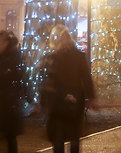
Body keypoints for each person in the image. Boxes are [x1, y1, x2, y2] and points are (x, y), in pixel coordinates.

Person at [41, 25, 98, 153]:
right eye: (59, 39)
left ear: (68, 39)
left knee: (72, 136)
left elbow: (86, 77)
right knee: (60, 136)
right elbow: (48, 80)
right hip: (60, 100)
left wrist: (92, 97)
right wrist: (42, 101)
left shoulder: (76, 56)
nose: (61, 42)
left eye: (63, 39)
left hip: (72, 100)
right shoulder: (54, 56)